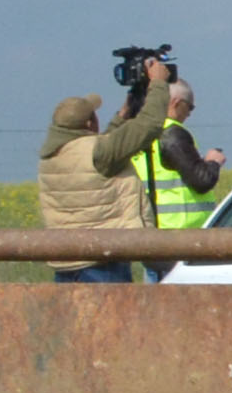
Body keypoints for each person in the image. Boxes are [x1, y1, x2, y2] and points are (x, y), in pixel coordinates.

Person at [38, 73, 177, 281]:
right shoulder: (100, 153)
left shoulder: (52, 155)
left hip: (66, 261)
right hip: (102, 262)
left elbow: (98, 150)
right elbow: (149, 125)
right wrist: (158, 83)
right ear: (88, 123)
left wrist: (121, 118)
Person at [120, 53, 229, 270]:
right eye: (190, 107)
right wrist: (213, 162)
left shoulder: (138, 133)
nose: (189, 114)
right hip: (182, 236)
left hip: (151, 234)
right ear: (177, 102)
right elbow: (201, 180)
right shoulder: (172, 133)